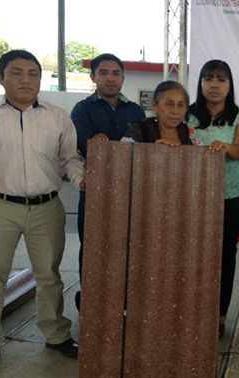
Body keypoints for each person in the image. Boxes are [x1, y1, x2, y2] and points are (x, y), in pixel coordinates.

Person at [0, 49, 84, 375]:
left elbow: (69, 158)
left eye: (33, 73)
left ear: (41, 79)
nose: (25, 79)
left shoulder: (58, 117)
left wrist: (83, 180)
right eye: (16, 73)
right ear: (1, 78)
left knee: (49, 274)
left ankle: (56, 334)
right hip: (0, 207)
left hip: (47, 208)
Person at [70, 53, 146, 309]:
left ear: (123, 78)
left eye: (116, 73)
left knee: (127, 248)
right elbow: (83, 144)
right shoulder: (82, 109)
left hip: (130, 193)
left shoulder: (135, 111)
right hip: (94, 192)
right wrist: (96, 144)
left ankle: (122, 303)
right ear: (93, 77)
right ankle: (90, 304)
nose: (110, 79)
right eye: (103, 73)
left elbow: (142, 148)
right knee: (92, 248)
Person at [187, 60, 239, 338]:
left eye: (221, 80)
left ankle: (219, 314)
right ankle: (191, 310)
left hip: (230, 199)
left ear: (229, 85)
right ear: (200, 83)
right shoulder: (187, 115)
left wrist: (223, 147)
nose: (214, 85)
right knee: (192, 258)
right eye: (208, 79)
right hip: (192, 200)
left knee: (225, 258)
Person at [123, 80, 196, 145]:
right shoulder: (139, 130)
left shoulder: (188, 132)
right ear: (154, 105)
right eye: (169, 104)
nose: (175, 111)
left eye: (180, 105)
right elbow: (122, 155)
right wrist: (151, 152)